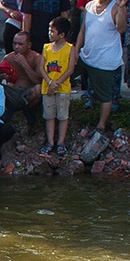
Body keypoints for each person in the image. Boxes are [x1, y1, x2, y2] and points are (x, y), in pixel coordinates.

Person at [76, 0, 127, 139]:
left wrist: (121, 7)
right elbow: (83, 30)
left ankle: (101, 126)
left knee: (106, 96)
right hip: (87, 55)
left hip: (106, 60)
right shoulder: (89, 6)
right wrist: (75, 51)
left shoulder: (115, 6)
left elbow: (121, 28)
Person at [40, 15, 77, 156]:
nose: (50, 33)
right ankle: (50, 142)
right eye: (49, 30)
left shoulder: (70, 48)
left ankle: (60, 142)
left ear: (62, 35)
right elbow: (41, 68)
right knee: (49, 115)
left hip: (63, 88)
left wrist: (57, 83)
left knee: (62, 116)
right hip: (47, 87)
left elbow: (70, 69)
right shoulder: (46, 47)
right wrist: (50, 82)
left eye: (52, 31)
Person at [0, 28, 44, 129]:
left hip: (27, 92)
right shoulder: (8, 58)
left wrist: (25, 64)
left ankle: (25, 108)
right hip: (12, 91)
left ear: (29, 45)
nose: (16, 47)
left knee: (39, 89)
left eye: (20, 44)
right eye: (14, 44)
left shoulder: (37, 58)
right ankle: (9, 108)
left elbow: (38, 81)